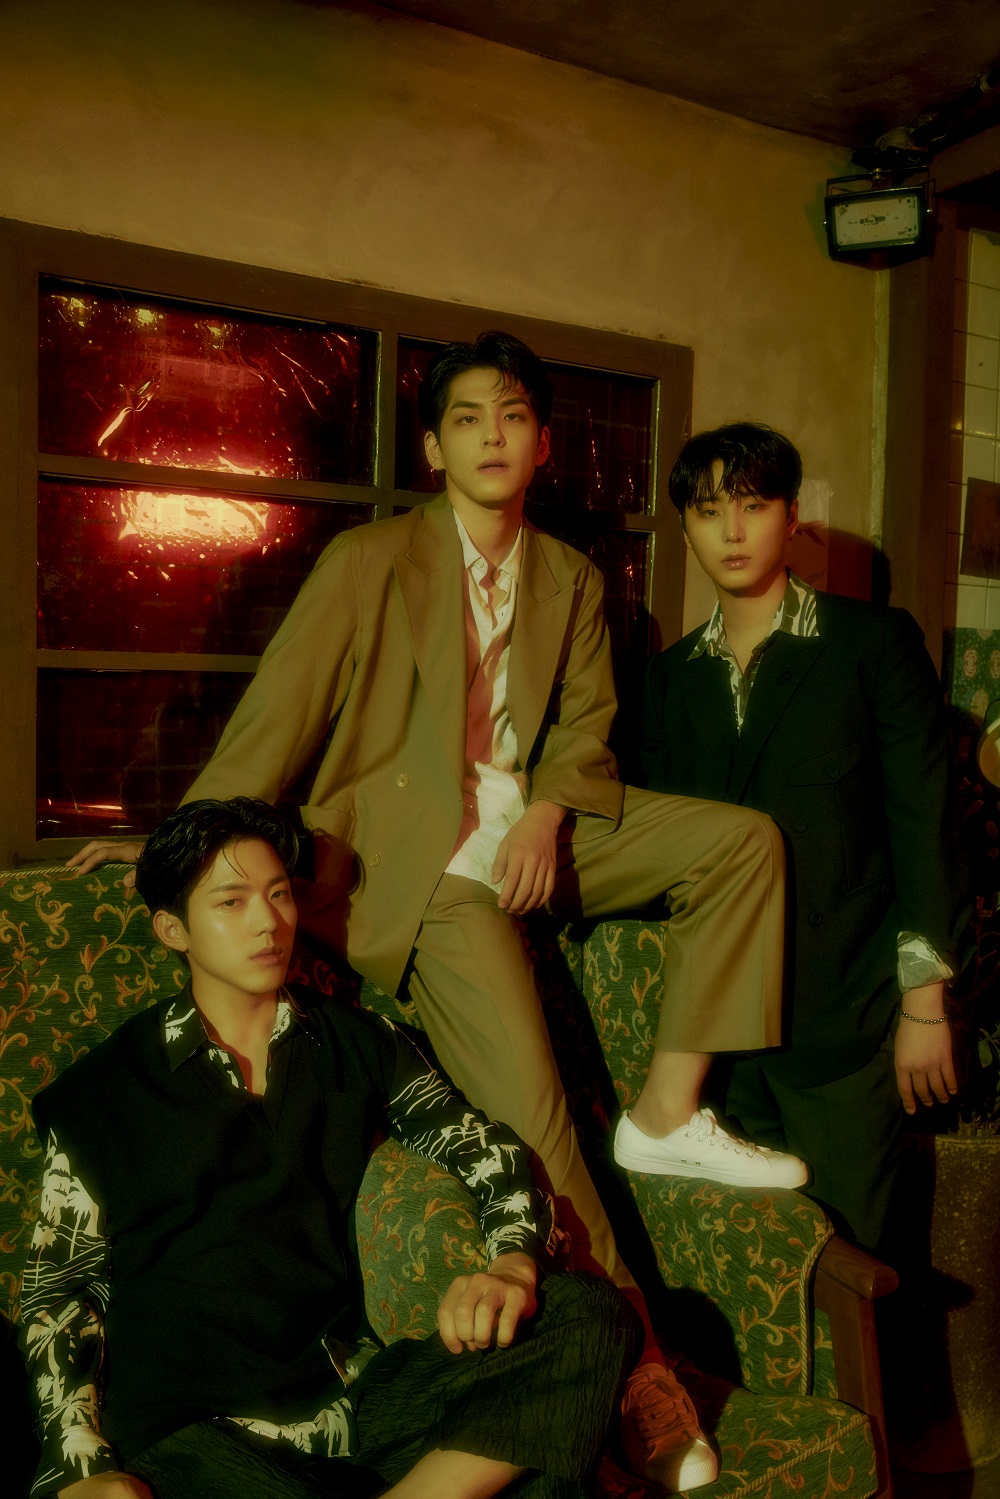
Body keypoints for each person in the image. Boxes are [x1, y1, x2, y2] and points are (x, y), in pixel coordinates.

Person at [70, 333, 804, 1488]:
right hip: (413, 864)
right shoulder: (368, 560)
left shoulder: (568, 577)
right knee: (537, 1114)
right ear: (432, 446)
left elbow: (584, 730)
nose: (492, 436)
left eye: (512, 416)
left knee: (743, 841)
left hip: (528, 829)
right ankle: (643, 1379)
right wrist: (182, 846)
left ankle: (665, 1113)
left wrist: (551, 809)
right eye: (467, 418)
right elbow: (278, 713)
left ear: (542, 442)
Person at [23, 797, 643, 1499]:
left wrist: (511, 1263)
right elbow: (59, 1291)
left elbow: (484, 1150)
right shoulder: (100, 1093)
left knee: (588, 1312)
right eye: (231, 902)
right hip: (191, 1436)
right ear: (173, 929)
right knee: (545, 1479)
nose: (268, 922)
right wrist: (82, 1465)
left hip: (347, 1413)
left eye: (278, 893)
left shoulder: (357, 1041)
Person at [641, 422, 967, 1251]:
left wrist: (924, 1002)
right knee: (748, 1270)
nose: (732, 530)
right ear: (686, 526)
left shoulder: (872, 644)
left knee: (858, 1270)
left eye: (753, 505)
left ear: (792, 517)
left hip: (844, 1025)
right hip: (720, 1043)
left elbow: (925, 821)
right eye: (709, 511)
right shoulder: (670, 679)